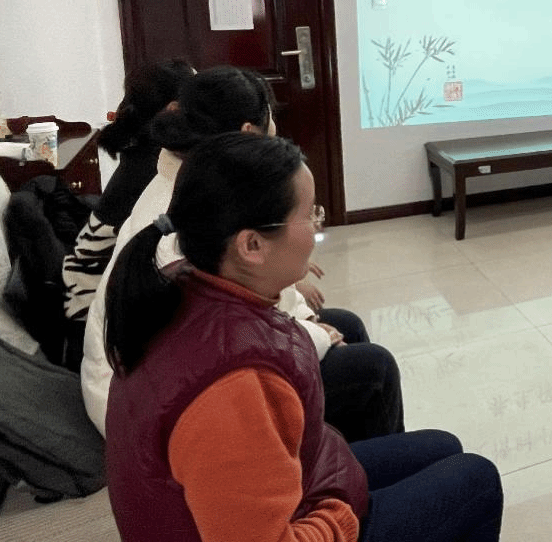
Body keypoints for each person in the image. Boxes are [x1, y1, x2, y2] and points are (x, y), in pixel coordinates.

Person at [104, 132, 503, 542]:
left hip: (297, 485)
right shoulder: (233, 390)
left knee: (442, 446)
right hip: (291, 517)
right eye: (309, 214)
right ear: (252, 245)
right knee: (477, 478)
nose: (317, 226)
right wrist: (340, 512)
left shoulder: (189, 282)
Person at [81, 66, 404, 443]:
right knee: (375, 368)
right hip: (162, 413)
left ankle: (347, 449)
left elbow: (244, 304)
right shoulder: (194, 216)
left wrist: (306, 321)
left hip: (190, 364)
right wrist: (313, 335)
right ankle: (357, 463)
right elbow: (228, 333)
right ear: (249, 133)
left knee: (347, 327)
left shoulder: (200, 181)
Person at [62, 59, 196, 354]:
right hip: (94, 315)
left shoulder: (146, 150)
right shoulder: (158, 163)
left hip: (98, 296)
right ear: (175, 108)